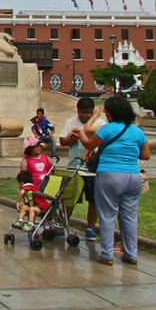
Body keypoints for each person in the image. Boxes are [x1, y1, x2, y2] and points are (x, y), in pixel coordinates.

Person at [81, 94, 150, 266]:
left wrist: (82, 133)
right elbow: (146, 155)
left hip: (109, 174)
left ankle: (107, 254)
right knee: (129, 217)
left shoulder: (107, 129)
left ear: (111, 113)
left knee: (107, 215)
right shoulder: (137, 131)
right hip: (133, 176)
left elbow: (89, 144)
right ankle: (131, 254)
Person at [59, 96, 97, 239]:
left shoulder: (99, 123)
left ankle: (91, 227)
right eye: (81, 112)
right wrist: (72, 138)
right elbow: (63, 141)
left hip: (92, 169)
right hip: (74, 167)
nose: (84, 116)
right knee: (69, 198)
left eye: (87, 113)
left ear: (92, 112)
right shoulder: (71, 122)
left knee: (93, 200)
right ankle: (61, 224)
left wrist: (85, 134)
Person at [16, 135, 52, 228]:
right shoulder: (27, 160)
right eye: (34, 147)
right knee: (32, 205)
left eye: (39, 146)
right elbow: (23, 175)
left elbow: (52, 170)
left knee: (46, 204)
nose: (38, 148)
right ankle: (29, 222)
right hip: (32, 188)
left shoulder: (46, 158)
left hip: (46, 186)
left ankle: (48, 223)